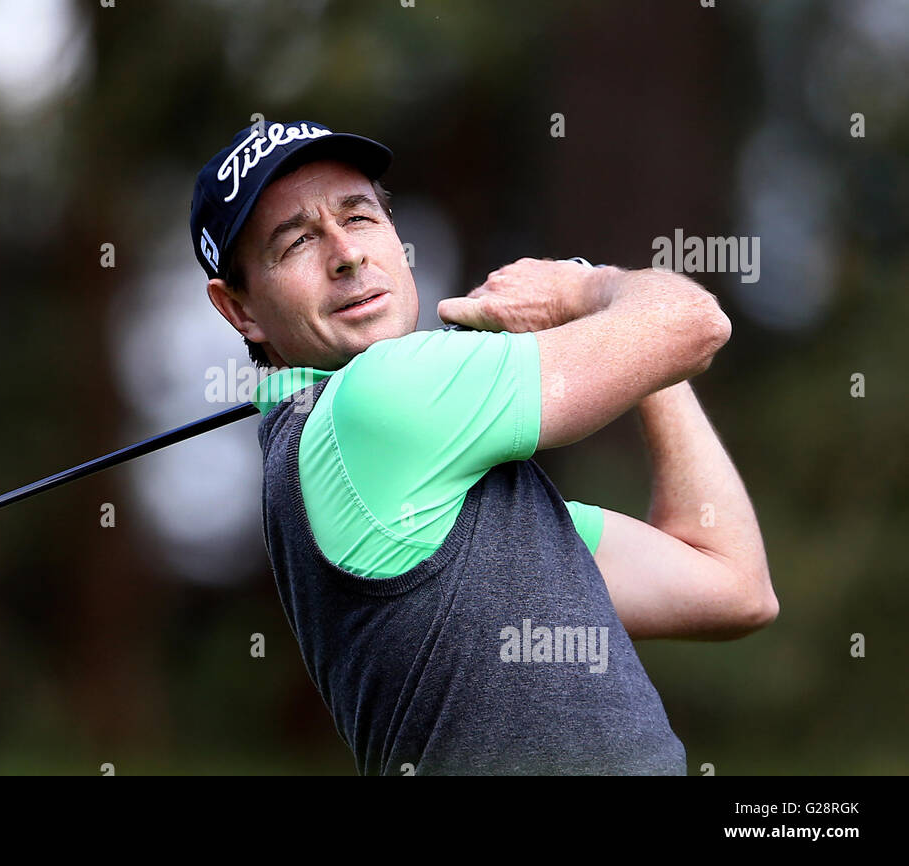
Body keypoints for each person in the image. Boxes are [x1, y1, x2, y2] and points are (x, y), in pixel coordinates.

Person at [189, 120, 777, 775]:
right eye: (297, 240)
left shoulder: (390, 464)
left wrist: (639, 363)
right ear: (238, 310)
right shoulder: (377, 399)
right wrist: (585, 288)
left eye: (359, 218)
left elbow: (733, 586)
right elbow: (696, 323)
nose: (345, 254)